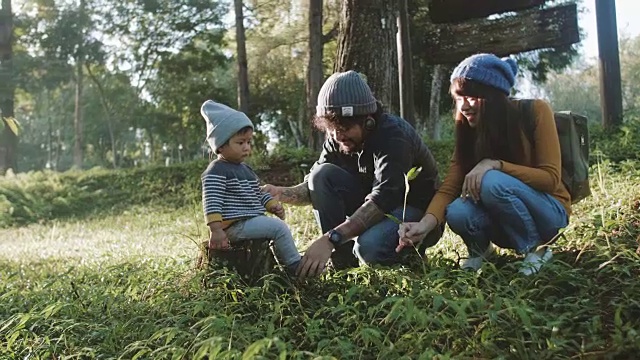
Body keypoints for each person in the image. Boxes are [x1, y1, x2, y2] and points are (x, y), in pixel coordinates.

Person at [398, 53, 570, 275]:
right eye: (458, 98)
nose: (464, 106)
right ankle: (481, 251)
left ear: (493, 96)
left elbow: (550, 178)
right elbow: (450, 187)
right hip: (504, 218)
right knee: (457, 210)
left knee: (490, 181)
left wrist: (495, 165)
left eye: (470, 96)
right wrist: (423, 226)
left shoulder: (535, 111)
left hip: (549, 212)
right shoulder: (469, 128)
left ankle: (538, 249)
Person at [262, 71, 441, 278]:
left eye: (345, 127)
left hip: (416, 214)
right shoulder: (338, 138)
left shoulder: (394, 137)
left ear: (368, 121)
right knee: (321, 174)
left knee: (369, 247)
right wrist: (280, 193)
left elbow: (382, 200)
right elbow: (315, 185)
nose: (339, 136)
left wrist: (332, 238)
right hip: (375, 209)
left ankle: (411, 261)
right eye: (332, 129)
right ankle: (343, 267)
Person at [200, 100, 301, 274]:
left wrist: (271, 205)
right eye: (240, 143)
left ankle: (282, 266)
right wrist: (216, 230)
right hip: (234, 225)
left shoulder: (245, 170)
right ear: (221, 146)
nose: (246, 147)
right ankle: (295, 266)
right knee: (279, 228)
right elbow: (212, 202)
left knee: (274, 230)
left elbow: (257, 193)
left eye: (248, 142)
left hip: (247, 221)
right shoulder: (216, 170)